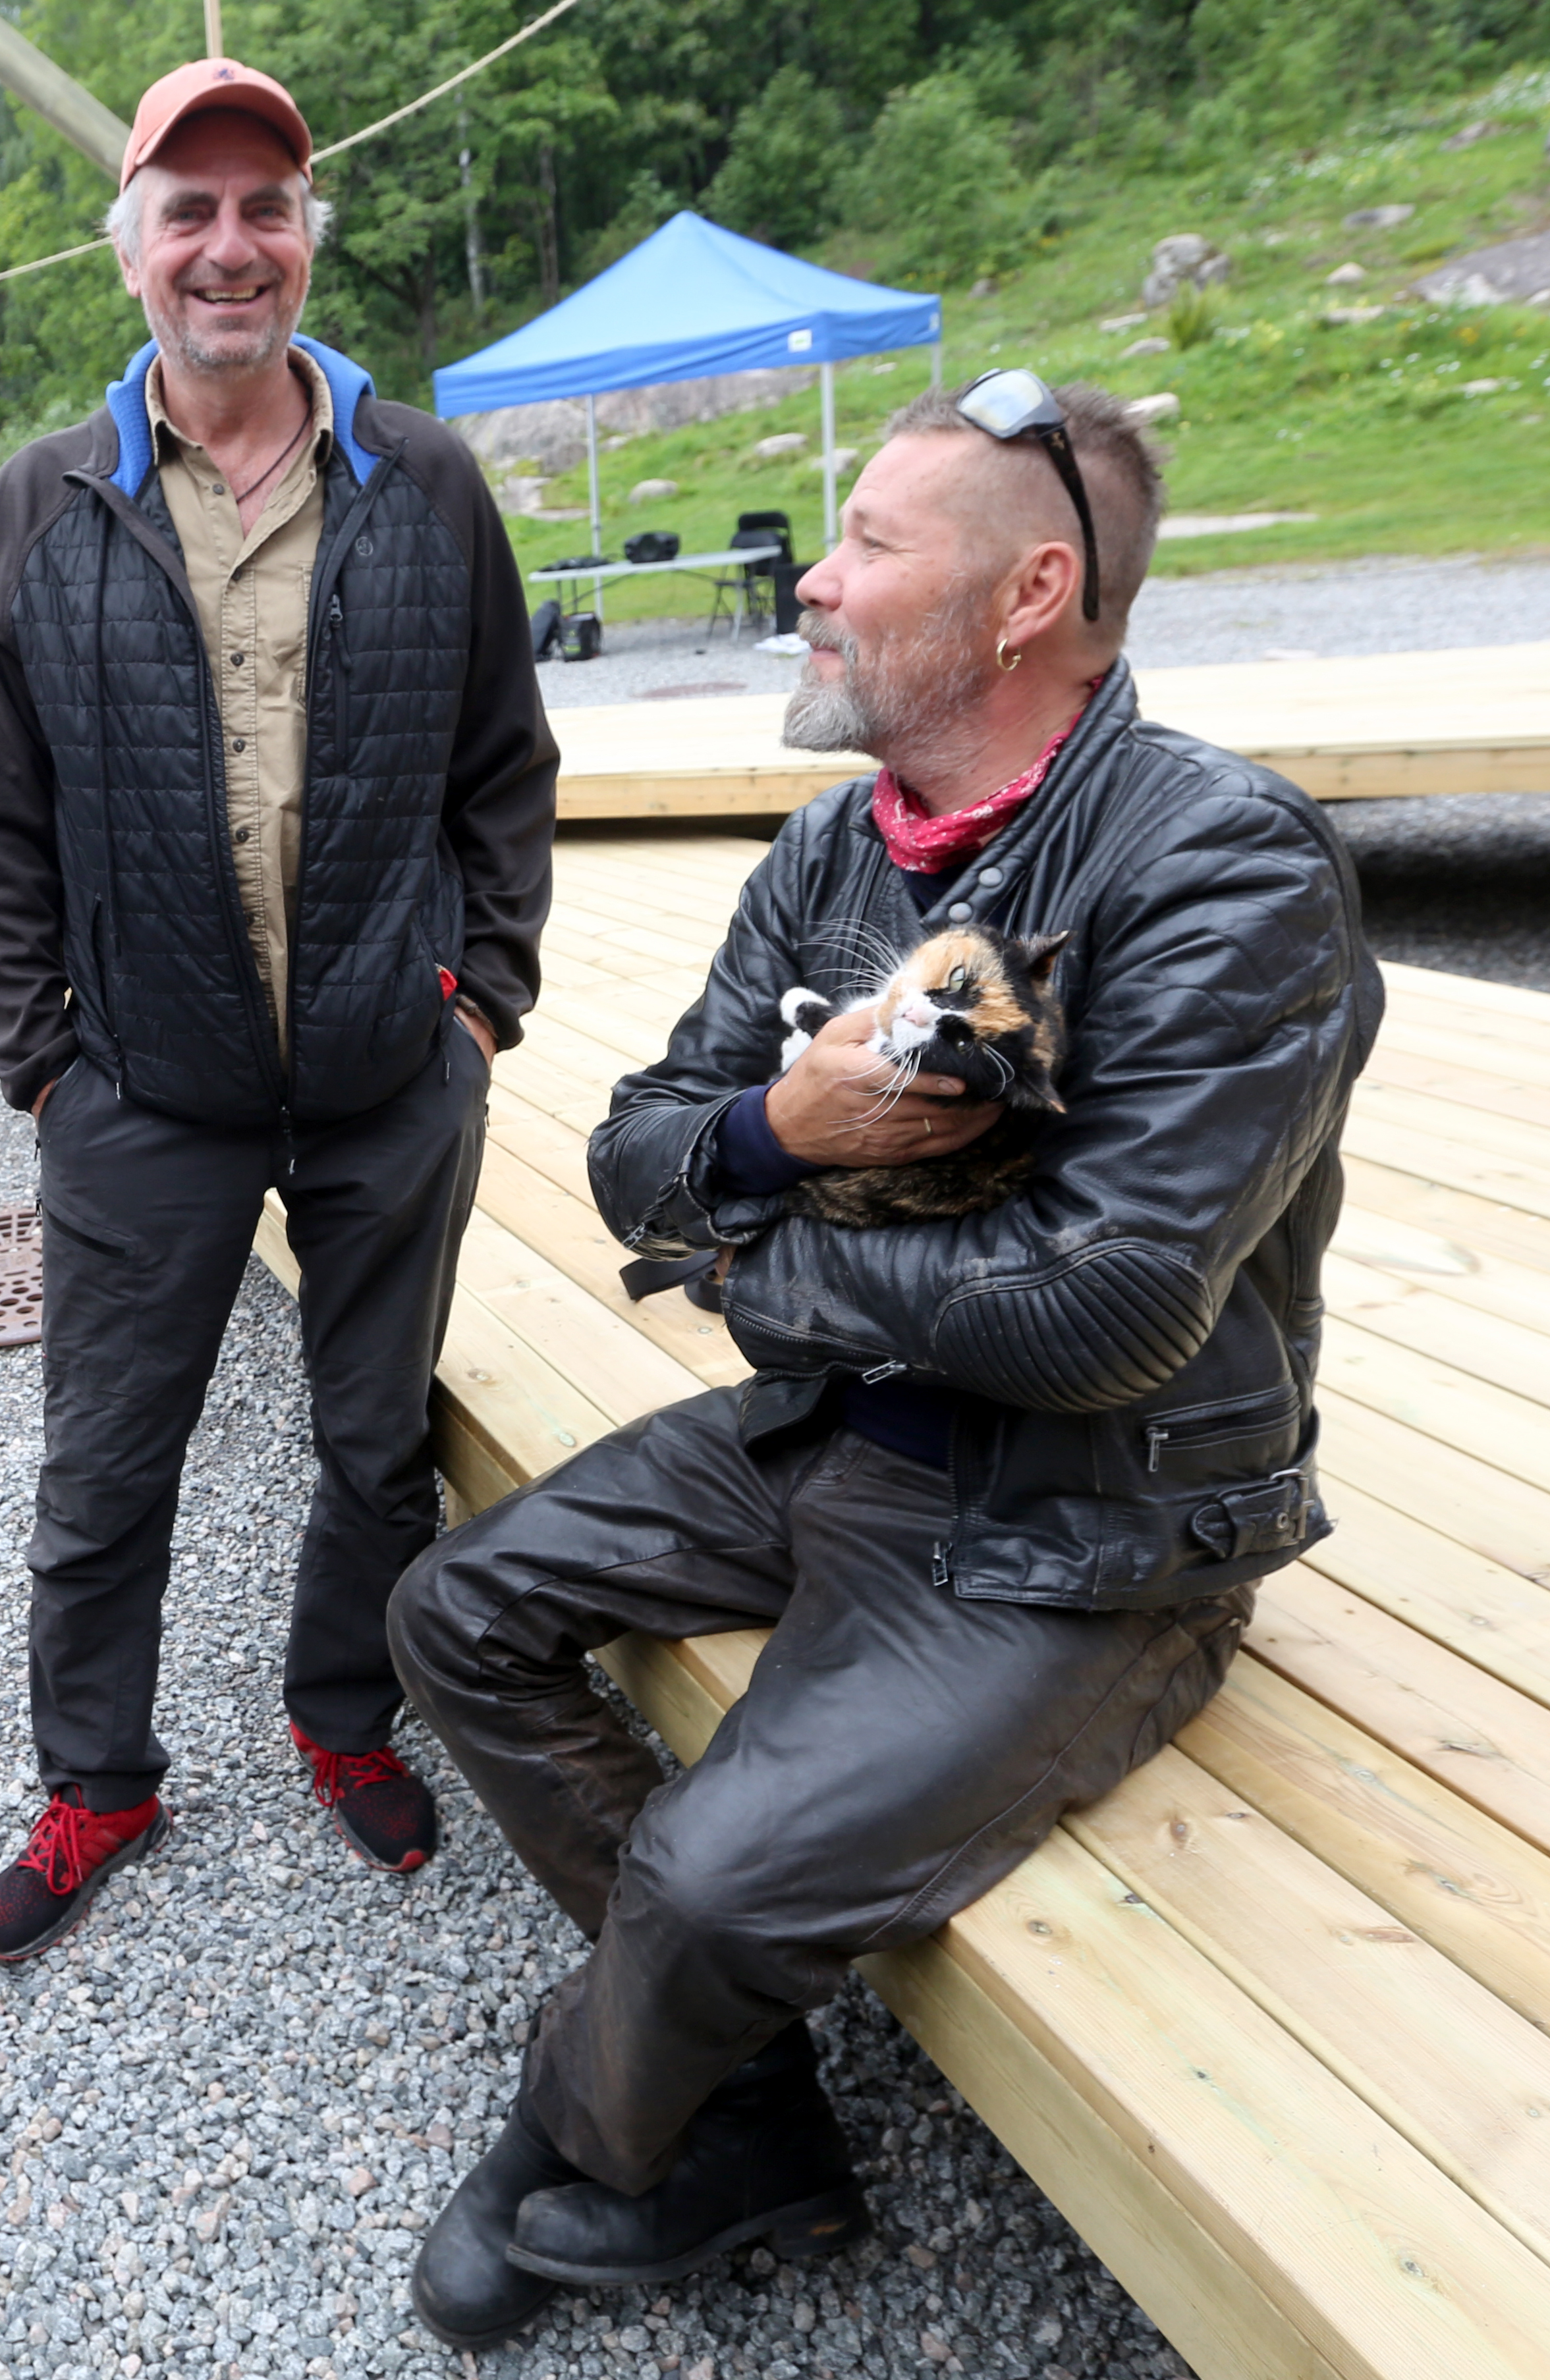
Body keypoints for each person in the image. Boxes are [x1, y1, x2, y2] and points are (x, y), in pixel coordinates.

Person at [389, 375, 1383, 2348]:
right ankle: (737, 2095)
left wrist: (764, 1271)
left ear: (1027, 594)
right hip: (846, 1432)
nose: (812, 587)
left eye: (864, 545)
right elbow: (636, 1155)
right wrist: (775, 1141)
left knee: (704, 1884)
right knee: (452, 1610)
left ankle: (607, 2126)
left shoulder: (1223, 869)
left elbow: (1109, 1317)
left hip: (1093, 1527)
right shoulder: (843, 845)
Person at [0, 57, 559, 1963]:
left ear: (307, 235)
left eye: (265, 207)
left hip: (391, 1078)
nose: (232, 247)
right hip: (144, 1091)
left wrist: (480, 1011)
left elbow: (504, 770)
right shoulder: (42, 503)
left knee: (373, 1443)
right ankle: (94, 1780)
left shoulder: (428, 481)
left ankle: (341, 1710)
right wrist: (47, 1059)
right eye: (190, 211)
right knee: (103, 1470)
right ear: (127, 250)